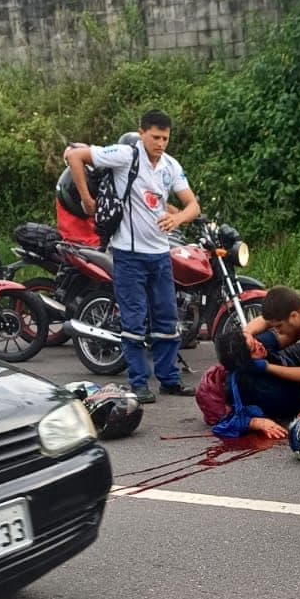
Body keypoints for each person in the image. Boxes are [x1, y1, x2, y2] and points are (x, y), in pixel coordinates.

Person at [64, 110, 200, 403]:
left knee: (167, 320)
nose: (160, 143)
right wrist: (88, 199)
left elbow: (192, 205)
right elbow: (75, 156)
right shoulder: (125, 155)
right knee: (134, 322)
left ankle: (169, 380)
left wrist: (177, 220)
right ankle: (139, 383)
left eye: (165, 138)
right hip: (128, 254)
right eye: (155, 137)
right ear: (142, 134)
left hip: (160, 255)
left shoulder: (170, 166)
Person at [212, 329, 300, 438]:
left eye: (255, 340)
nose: (260, 345)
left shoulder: (261, 344)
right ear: (245, 362)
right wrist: (256, 423)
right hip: (296, 396)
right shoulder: (239, 383)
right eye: (253, 349)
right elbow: (224, 423)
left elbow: (291, 327)